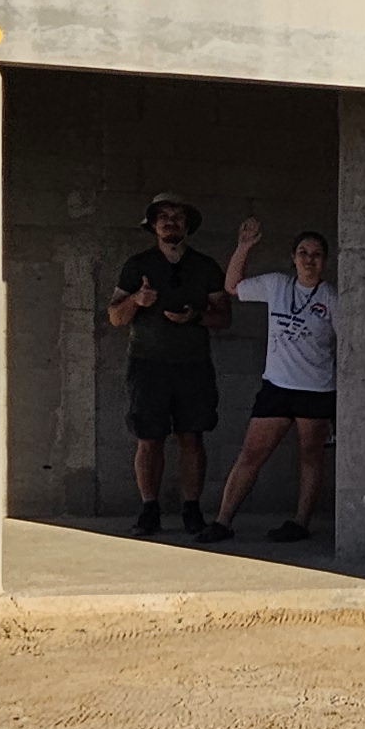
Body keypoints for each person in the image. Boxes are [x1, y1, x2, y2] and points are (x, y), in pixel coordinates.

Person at [206, 219, 336, 545]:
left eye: (316, 254)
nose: (309, 259)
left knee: (311, 456)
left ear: (324, 260)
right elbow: (233, 287)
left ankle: (300, 522)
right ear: (293, 257)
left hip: (316, 390)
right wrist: (244, 247)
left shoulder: (332, 298)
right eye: (303, 252)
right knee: (251, 454)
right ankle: (223, 520)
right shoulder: (276, 284)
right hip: (277, 387)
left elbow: (348, 344)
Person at [105, 194, 225, 537]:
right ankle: (149, 510)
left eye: (177, 216)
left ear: (188, 225)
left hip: (193, 365)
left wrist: (195, 317)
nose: (170, 221)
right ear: (153, 225)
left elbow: (223, 317)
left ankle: (192, 510)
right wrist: (136, 300)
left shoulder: (206, 266)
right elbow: (115, 317)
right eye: (163, 216)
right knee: (149, 437)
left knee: (192, 436)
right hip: (147, 364)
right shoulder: (137, 265)